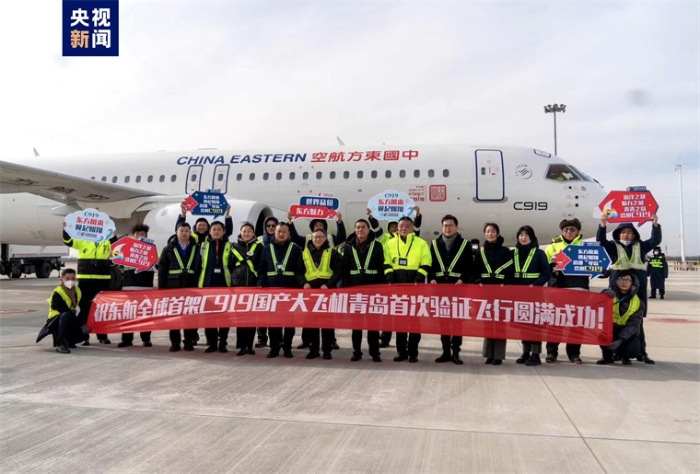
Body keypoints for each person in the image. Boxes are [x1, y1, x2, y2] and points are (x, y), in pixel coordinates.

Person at [597, 214, 661, 364]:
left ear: (634, 235)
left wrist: (655, 225)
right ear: (618, 234)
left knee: (637, 321)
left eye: (629, 232)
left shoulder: (641, 246)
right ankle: (610, 354)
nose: (626, 234)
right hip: (617, 288)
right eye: (623, 232)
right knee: (611, 320)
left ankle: (641, 352)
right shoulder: (613, 246)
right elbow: (601, 240)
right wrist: (602, 224)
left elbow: (655, 241)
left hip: (638, 288)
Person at [383, 216, 432, 363]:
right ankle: (401, 352)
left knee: (415, 322)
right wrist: (390, 276)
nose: (403, 228)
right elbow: (386, 262)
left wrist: (418, 278)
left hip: (415, 288)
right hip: (397, 289)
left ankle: (413, 352)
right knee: (400, 322)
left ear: (412, 228)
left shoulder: (421, 243)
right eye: (401, 226)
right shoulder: (390, 243)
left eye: (407, 226)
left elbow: (426, 262)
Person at [62, 220, 117, 345]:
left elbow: (117, 251)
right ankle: (83, 335)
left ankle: (102, 335)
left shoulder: (107, 241)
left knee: (102, 309)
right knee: (85, 309)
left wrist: (114, 237)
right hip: (85, 280)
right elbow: (68, 241)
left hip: (102, 280)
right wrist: (65, 230)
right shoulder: (82, 240)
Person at [429, 214, 474, 365]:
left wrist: (463, 279)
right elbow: (430, 264)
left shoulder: (465, 244)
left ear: (457, 227)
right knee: (443, 321)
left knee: (457, 322)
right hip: (440, 288)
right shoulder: (434, 244)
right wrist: (431, 278)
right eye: (445, 225)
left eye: (450, 225)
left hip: (458, 288)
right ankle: (445, 351)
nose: (447, 228)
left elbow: (470, 265)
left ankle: (456, 352)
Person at [340, 219, 386, 362]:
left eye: (363, 227)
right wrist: (346, 290)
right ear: (355, 230)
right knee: (356, 325)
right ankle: (356, 352)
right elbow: (345, 270)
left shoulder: (377, 246)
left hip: (372, 291)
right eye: (358, 227)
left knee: (373, 324)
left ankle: (375, 352)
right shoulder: (348, 246)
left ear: (368, 230)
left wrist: (381, 290)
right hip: (355, 292)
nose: (360, 230)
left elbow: (381, 268)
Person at [257, 222, 306, 358]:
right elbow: (262, 269)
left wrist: (301, 286)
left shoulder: (296, 249)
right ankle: (274, 349)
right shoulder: (267, 249)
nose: (281, 234)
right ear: (275, 232)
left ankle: (287, 349)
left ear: (289, 233)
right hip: (272, 292)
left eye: (284, 231)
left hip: (290, 292)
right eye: (279, 231)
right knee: (274, 323)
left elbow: (299, 270)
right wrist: (261, 283)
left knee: (289, 323)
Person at [544, 219, 588, 364]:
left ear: (578, 232)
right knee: (555, 322)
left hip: (578, 288)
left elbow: (595, 264)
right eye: (566, 230)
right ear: (562, 231)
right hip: (558, 288)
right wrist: (553, 266)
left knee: (576, 323)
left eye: (572, 230)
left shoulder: (585, 247)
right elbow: (545, 267)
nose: (569, 232)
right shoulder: (553, 246)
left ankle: (574, 354)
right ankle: (551, 353)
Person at [474, 223, 514, 365]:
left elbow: (511, 270)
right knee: (488, 323)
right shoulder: (481, 252)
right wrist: (478, 281)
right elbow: (475, 269)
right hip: (486, 291)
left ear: (498, 234)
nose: (490, 234)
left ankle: (498, 355)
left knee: (500, 323)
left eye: (492, 231)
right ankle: (488, 354)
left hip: (501, 291)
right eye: (487, 231)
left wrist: (506, 282)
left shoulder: (505, 251)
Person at [158, 222, 202, 352]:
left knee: (190, 315)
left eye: (186, 231)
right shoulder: (168, 248)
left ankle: (188, 341)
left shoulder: (197, 248)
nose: (184, 233)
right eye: (181, 231)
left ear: (190, 233)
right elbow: (162, 270)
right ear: (176, 232)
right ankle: (175, 342)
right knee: (174, 316)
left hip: (191, 286)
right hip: (173, 287)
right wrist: (162, 289)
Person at [512, 226, 551, 366]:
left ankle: (535, 355)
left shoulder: (539, 253)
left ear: (532, 237)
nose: (523, 238)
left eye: (526, 235)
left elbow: (546, 273)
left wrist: (535, 285)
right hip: (519, 295)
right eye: (521, 235)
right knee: (523, 324)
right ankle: (525, 352)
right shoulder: (513, 253)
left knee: (535, 325)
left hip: (535, 294)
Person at [302, 229, 342, 360]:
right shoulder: (305, 253)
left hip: (327, 292)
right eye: (315, 237)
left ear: (326, 238)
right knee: (312, 324)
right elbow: (298, 271)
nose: (318, 239)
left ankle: (327, 351)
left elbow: (339, 271)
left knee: (327, 324)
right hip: (311, 293)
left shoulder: (333, 252)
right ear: (311, 238)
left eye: (320, 237)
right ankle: (313, 350)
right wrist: (303, 283)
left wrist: (329, 284)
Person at [199, 221, 235, 353]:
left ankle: (223, 343)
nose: (216, 232)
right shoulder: (203, 246)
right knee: (209, 317)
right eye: (214, 229)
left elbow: (233, 265)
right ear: (209, 231)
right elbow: (198, 266)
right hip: (208, 286)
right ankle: (212, 343)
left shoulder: (230, 246)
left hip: (225, 286)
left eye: (219, 229)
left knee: (225, 317)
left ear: (224, 231)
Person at [118, 224, 155, 348]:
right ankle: (127, 339)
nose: (139, 236)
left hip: (145, 287)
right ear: (133, 236)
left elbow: (158, 264)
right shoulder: (126, 248)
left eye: (142, 234)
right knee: (128, 313)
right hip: (129, 286)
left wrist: (158, 261)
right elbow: (114, 261)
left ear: (146, 236)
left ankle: (146, 338)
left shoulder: (152, 249)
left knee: (145, 313)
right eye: (137, 234)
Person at [596, 271, 643, 365]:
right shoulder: (609, 295)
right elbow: (595, 305)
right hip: (610, 329)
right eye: (621, 279)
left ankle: (624, 356)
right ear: (616, 281)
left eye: (627, 280)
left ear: (632, 283)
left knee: (633, 349)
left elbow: (633, 325)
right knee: (601, 333)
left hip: (626, 331)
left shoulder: (638, 303)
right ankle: (607, 356)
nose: (624, 282)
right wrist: (603, 294)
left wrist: (621, 340)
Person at [37, 269, 87, 353]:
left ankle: (70, 340)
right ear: (62, 280)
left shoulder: (77, 290)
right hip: (55, 319)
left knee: (79, 318)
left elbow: (82, 306)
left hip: (70, 315)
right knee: (67, 315)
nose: (70, 281)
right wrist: (78, 322)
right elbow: (62, 309)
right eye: (67, 279)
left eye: (73, 278)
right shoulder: (58, 292)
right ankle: (60, 344)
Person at [231, 222, 263, 356]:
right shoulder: (234, 247)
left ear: (253, 233)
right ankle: (242, 346)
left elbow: (261, 266)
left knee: (252, 318)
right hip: (238, 287)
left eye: (249, 231)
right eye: (244, 231)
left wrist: (260, 282)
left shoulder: (259, 247)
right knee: (240, 318)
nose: (246, 233)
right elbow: (230, 266)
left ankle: (249, 346)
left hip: (253, 286)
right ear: (240, 232)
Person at [255, 216, 280, 349]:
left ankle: (278, 338)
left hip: (277, 282)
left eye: (273, 225)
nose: (270, 228)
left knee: (278, 312)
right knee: (262, 312)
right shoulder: (259, 240)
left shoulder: (282, 240)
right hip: (263, 280)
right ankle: (262, 337)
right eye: (268, 226)